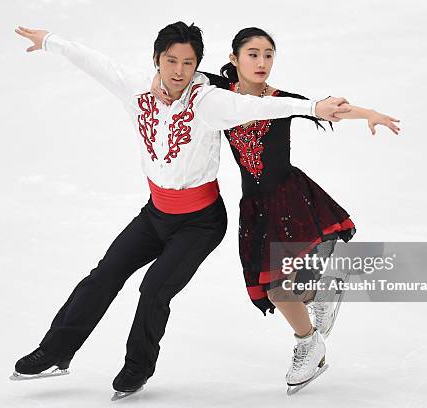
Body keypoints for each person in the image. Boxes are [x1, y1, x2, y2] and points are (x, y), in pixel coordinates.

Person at [12, 22, 351, 397]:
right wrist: (50, 42)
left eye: (188, 63)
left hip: (200, 223)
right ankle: (54, 352)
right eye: (170, 60)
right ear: (156, 59)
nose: (178, 71)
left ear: (197, 66)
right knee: (104, 275)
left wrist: (313, 107)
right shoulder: (136, 88)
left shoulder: (208, 101)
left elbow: (260, 104)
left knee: (154, 288)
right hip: (155, 215)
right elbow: (96, 63)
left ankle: (136, 369)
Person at [152, 27, 400, 394]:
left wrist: (369, 113)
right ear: (234, 60)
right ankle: (322, 296)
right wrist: (160, 81)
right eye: (253, 54)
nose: (262, 62)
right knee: (276, 287)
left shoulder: (283, 100)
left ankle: (309, 343)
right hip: (254, 207)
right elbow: (181, 72)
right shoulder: (217, 94)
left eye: (268, 54)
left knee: (276, 288)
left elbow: (330, 108)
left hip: (289, 199)